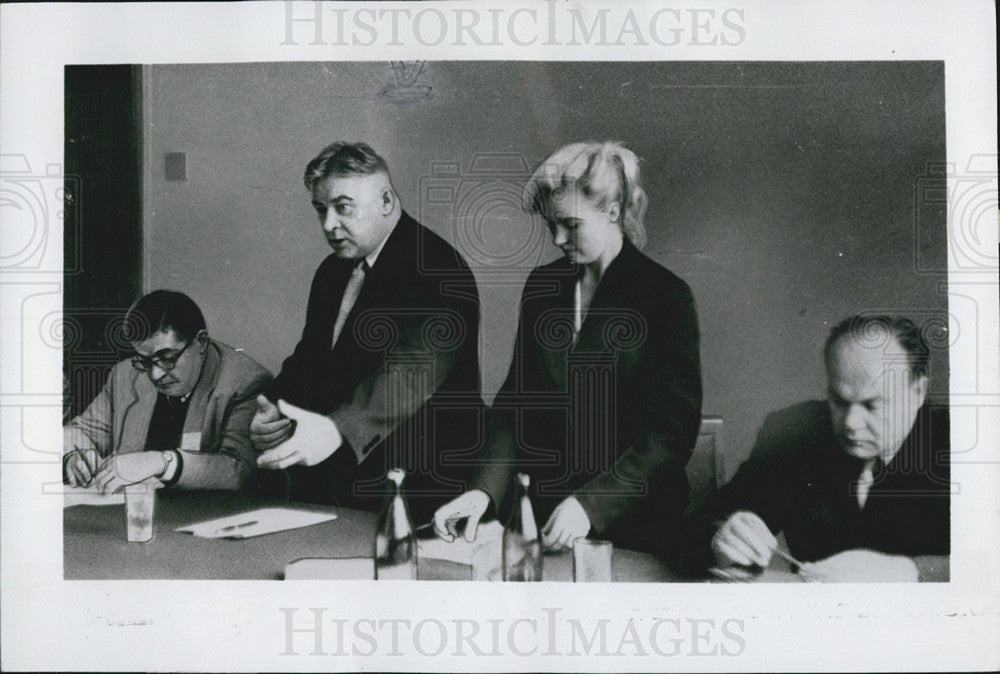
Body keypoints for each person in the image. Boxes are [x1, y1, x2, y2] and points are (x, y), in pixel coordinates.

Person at [433, 141, 702, 557]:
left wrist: (591, 505)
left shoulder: (666, 296)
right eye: (550, 225)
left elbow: (671, 433)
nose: (557, 238)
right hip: (545, 517)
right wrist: (483, 492)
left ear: (613, 211)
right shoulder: (543, 287)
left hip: (637, 524)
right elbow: (513, 406)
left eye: (570, 224)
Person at [250, 142, 482, 523]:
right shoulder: (332, 270)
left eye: (343, 207)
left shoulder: (439, 267)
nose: (328, 224)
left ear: (387, 200)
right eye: (320, 209)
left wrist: (339, 429)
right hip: (343, 484)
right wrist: (274, 407)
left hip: (420, 486)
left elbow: (411, 372)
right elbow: (311, 357)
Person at [686, 315, 950, 582]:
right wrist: (723, 535)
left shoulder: (964, 445)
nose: (850, 423)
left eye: (872, 405)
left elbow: (987, 562)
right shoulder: (794, 432)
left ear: (918, 392)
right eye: (839, 401)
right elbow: (705, 523)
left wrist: (911, 571)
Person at [63, 290, 272, 492]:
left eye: (168, 358)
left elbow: (239, 471)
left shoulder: (244, 382)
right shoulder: (126, 375)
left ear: (201, 342)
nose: (155, 374)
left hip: (206, 515)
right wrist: (75, 456)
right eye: (145, 361)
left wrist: (161, 463)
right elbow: (80, 431)